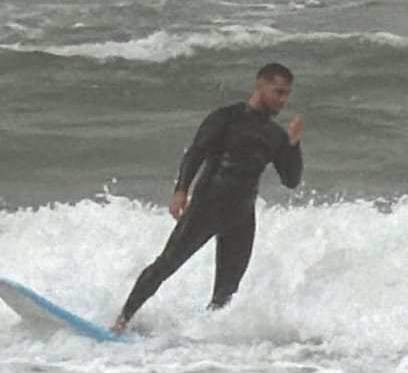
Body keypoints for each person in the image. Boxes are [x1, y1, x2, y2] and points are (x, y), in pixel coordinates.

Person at [111, 62, 303, 333]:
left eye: (286, 95)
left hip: (241, 215)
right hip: (207, 205)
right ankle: (122, 320)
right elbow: (197, 152)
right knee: (166, 264)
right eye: (278, 92)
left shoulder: (275, 135)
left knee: (227, 289)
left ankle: (207, 341)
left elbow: (291, 180)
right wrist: (181, 190)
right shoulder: (227, 118)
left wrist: (293, 146)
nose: (283, 100)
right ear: (260, 85)